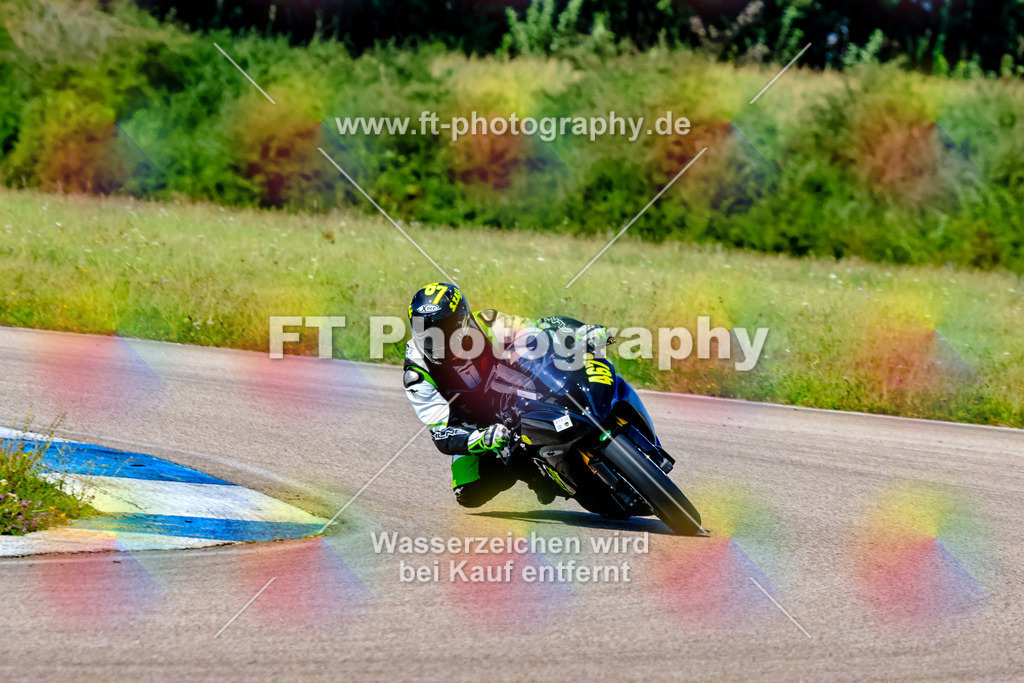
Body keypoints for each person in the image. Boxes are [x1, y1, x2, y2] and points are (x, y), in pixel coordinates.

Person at [402, 282, 609, 508]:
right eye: (424, 330)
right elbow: (441, 432)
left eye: (442, 329)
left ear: (462, 322)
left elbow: (540, 328)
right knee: (468, 492)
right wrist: (479, 439)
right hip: (475, 424)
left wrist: (579, 332)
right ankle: (533, 475)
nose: (434, 339)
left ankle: (593, 404)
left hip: (517, 392)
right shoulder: (417, 373)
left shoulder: (487, 323)